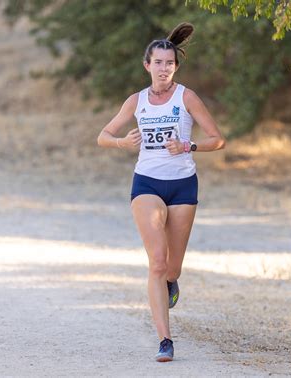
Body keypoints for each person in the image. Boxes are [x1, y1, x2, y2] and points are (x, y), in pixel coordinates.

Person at [97, 22, 225, 362]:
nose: (164, 69)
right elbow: (103, 135)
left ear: (175, 67)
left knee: (172, 268)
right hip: (147, 184)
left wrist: (189, 144)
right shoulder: (136, 101)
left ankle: (171, 281)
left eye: (169, 63)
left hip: (183, 185)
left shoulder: (187, 98)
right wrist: (122, 141)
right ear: (147, 65)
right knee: (156, 262)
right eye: (158, 63)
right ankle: (165, 340)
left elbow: (217, 138)